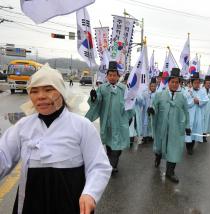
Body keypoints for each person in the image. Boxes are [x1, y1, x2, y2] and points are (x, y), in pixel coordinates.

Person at [0, 64, 111, 214]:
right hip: (31, 204)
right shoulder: (23, 126)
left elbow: (99, 166)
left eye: (48, 89)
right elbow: (3, 157)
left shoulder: (82, 126)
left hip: (70, 203)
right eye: (34, 91)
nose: (40, 96)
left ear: (61, 92)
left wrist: (90, 193)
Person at [85, 61, 133, 174]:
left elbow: (130, 104)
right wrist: (93, 97)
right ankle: (110, 159)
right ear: (107, 76)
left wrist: (129, 117)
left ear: (118, 76)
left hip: (119, 121)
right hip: (107, 121)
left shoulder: (124, 89)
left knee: (117, 145)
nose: (112, 77)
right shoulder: (102, 88)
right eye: (110, 75)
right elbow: (97, 102)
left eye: (114, 75)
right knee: (109, 143)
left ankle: (113, 164)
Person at [148, 68, 190, 183]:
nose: (175, 84)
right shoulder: (160, 95)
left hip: (176, 129)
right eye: (173, 82)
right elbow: (154, 106)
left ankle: (170, 172)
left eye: (177, 82)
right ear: (168, 82)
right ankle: (158, 155)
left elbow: (186, 112)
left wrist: (187, 126)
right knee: (160, 146)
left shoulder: (182, 97)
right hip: (162, 127)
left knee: (174, 149)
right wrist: (152, 110)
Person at [185, 72, 209, 154]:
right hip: (190, 114)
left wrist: (199, 101)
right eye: (195, 83)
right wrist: (193, 101)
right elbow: (185, 103)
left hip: (198, 115)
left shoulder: (202, 91)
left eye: (198, 83)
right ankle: (188, 147)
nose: (197, 84)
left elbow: (206, 100)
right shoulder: (188, 91)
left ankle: (192, 146)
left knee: (195, 131)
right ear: (192, 83)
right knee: (189, 130)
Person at [140, 77, 157, 143]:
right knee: (145, 123)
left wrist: (153, 108)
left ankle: (150, 135)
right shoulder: (145, 93)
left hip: (153, 111)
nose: (153, 87)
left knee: (151, 123)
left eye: (154, 86)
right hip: (145, 111)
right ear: (149, 86)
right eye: (151, 86)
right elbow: (142, 102)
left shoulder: (157, 94)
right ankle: (144, 136)